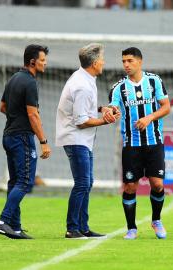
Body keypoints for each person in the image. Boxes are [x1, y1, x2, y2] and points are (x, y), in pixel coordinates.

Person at [56, 43, 119, 239]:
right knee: (82, 182)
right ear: (93, 62)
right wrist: (105, 120)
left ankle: (82, 227)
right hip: (76, 138)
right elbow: (81, 121)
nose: (104, 62)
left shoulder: (85, 78)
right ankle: (72, 228)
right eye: (102, 58)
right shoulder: (82, 85)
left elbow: (85, 109)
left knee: (87, 182)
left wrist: (102, 109)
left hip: (81, 139)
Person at [108, 47, 170, 240]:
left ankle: (156, 220)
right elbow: (113, 107)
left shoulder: (154, 81)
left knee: (157, 184)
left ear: (140, 62)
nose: (126, 64)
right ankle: (131, 228)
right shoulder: (119, 88)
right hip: (131, 145)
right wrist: (111, 112)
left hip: (154, 142)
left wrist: (149, 117)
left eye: (130, 61)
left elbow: (166, 106)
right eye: (124, 61)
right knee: (130, 187)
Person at [0, 44, 51, 240]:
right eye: (43, 60)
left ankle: (14, 227)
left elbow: (2, 107)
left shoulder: (14, 79)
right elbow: (33, 115)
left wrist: (16, 116)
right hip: (22, 138)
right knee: (25, 182)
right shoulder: (30, 82)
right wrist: (43, 141)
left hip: (8, 136)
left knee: (15, 182)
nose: (45, 63)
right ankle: (3, 221)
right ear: (33, 61)